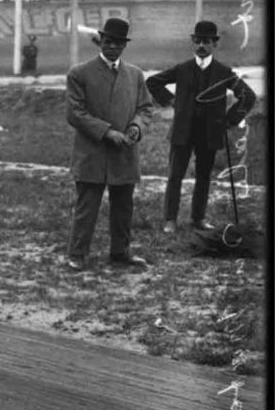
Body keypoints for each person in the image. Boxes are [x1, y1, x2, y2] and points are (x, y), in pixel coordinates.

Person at [146, 20, 256, 233]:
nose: (201, 46)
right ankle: (170, 219)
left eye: (206, 42)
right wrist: (171, 101)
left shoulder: (224, 72)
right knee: (175, 176)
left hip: (209, 132)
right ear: (192, 43)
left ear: (215, 44)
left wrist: (229, 120)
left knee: (203, 178)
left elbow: (248, 96)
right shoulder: (182, 69)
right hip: (183, 131)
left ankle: (198, 218)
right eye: (197, 41)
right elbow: (153, 82)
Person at [65, 17, 154, 271]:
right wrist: (107, 132)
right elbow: (75, 113)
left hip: (124, 153)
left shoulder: (135, 75)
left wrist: (137, 126)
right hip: (92, 152)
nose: (113, 47)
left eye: (118, 43)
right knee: (87, 206)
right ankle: (77, 254)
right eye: (108, 41)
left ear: (124, 46)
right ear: (100, 41)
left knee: (124, 207)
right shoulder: (79, 73)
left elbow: (146, 108)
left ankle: (120, 252)